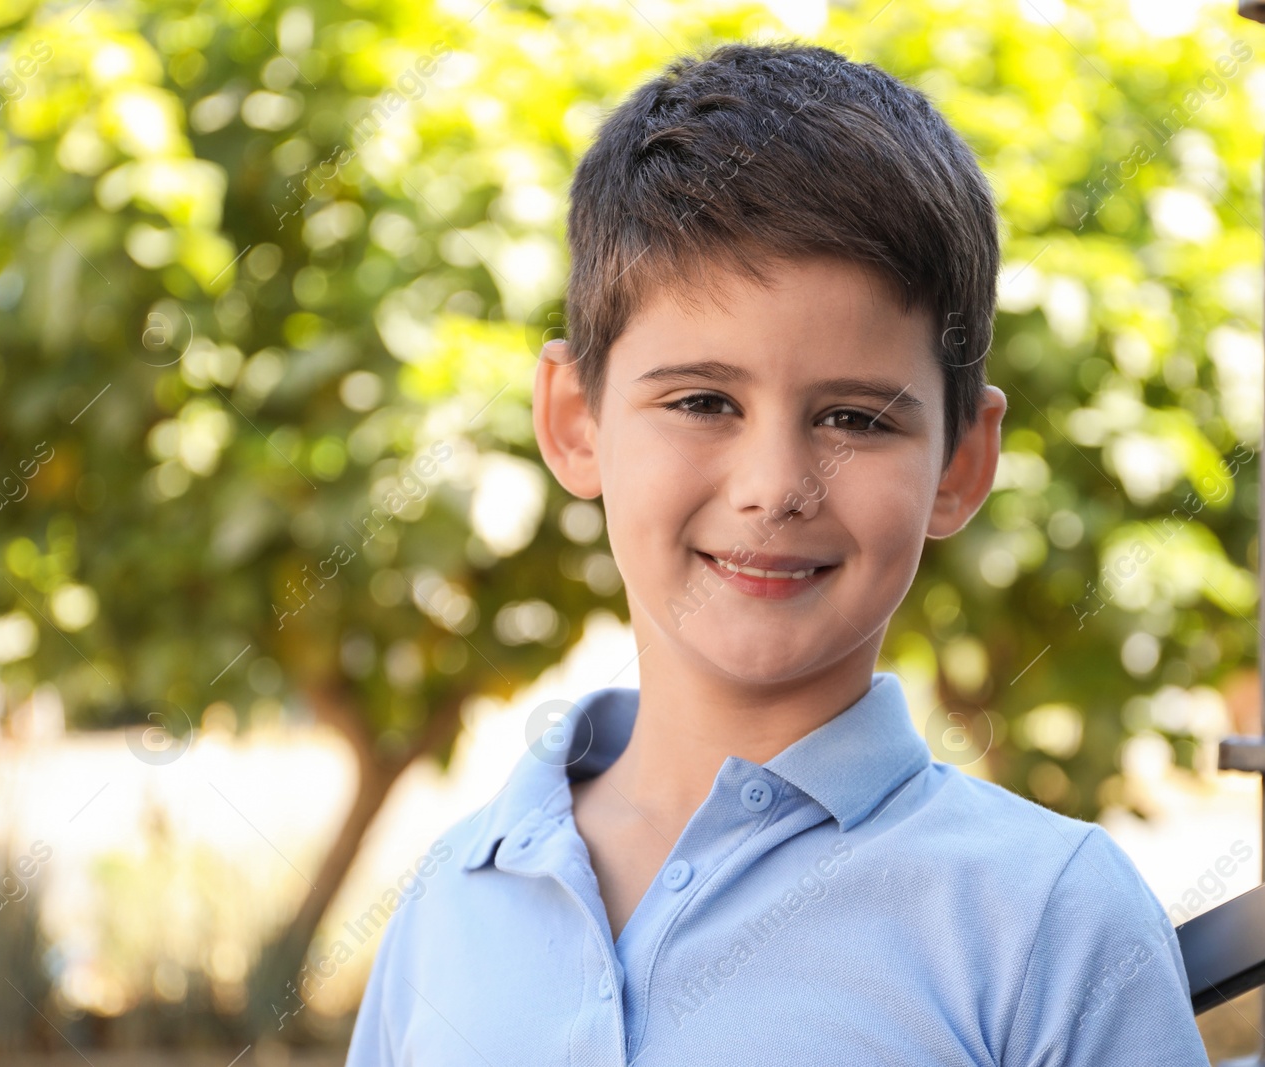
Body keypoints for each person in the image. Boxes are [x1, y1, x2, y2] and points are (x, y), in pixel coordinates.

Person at [345, 39, 1210, 1066]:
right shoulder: (455, 896)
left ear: (960, 459)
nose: (774, 484)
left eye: (853, 417)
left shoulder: (1048, 918)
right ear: (575, 418)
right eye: (701, 401)